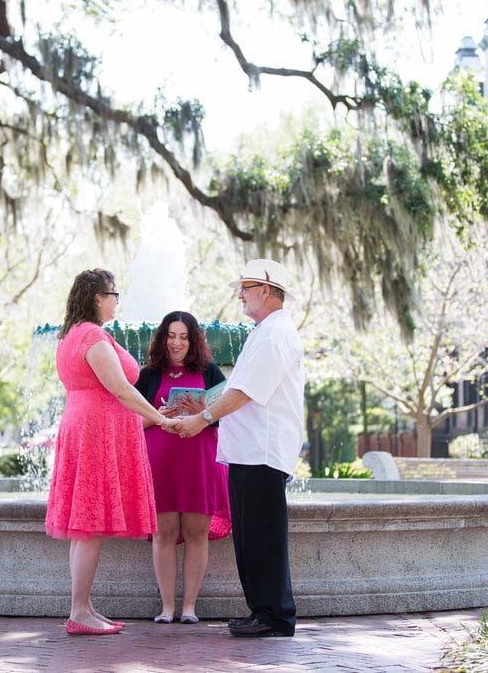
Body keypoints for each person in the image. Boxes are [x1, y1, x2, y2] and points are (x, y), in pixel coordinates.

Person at [45, 268, 181, 636]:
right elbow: (120, 389)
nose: (117, 301)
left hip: (84, 428)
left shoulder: (72, 336)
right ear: (96, 299)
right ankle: (78, 611)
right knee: (89, 527)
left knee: (83, 528)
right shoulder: (92, 337)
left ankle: (83, 607)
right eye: (113, 294)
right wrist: (160, 419)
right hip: (95, 434)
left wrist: (154, 415)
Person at [175, 259, 305, 638]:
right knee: (252, 537)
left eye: (245, 288)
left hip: (262, 452)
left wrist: (203, 418)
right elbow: (239, 387)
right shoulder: (266, 331)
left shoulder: (274, 334)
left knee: (263, 537)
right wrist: (207, 406)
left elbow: (248, 392)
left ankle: (275, 615)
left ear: (265, 290)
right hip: (250, 451)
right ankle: (262, 611)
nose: (240, 295)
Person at [135, 311, 231, 625]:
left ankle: (189, 607)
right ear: (163, 339)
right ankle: (166, 608)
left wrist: (204, 412)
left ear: (193, 340)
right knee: (163, 534)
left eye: (183, 337)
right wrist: (158, 414)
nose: (177, 343)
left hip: (199, 463)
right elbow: (130, 422)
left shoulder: (211, 372)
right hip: (160, 463)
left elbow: (226, 416)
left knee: (195, 533)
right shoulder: (147, 375)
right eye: (171, 336)